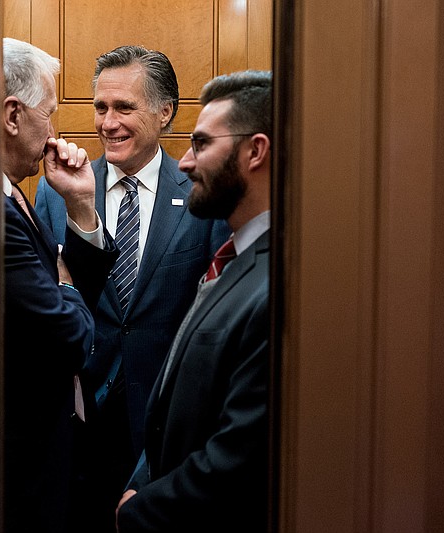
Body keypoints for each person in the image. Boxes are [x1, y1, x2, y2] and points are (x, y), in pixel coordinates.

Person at [34, 45, 231, 532]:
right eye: (101, 107)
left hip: (163, 428)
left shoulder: (201, 193)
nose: (108, 123)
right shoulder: (56, 190)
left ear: (165, 112)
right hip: (79, 428)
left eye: (125, 108)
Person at [115, 70, 273, 533]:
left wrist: (139, 510)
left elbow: (239, 457)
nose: (184, 163)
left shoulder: (277, 284)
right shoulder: (234, 260)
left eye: (202, 144)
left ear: (255, 151)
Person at [0, 37, 119, 533]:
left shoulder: (18, 196)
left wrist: (80, 207)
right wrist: (65, 282)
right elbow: (69, 333)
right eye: (47, 114)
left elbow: (69, 297)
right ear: (12, 115)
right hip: (24, 464)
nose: (54, 131)